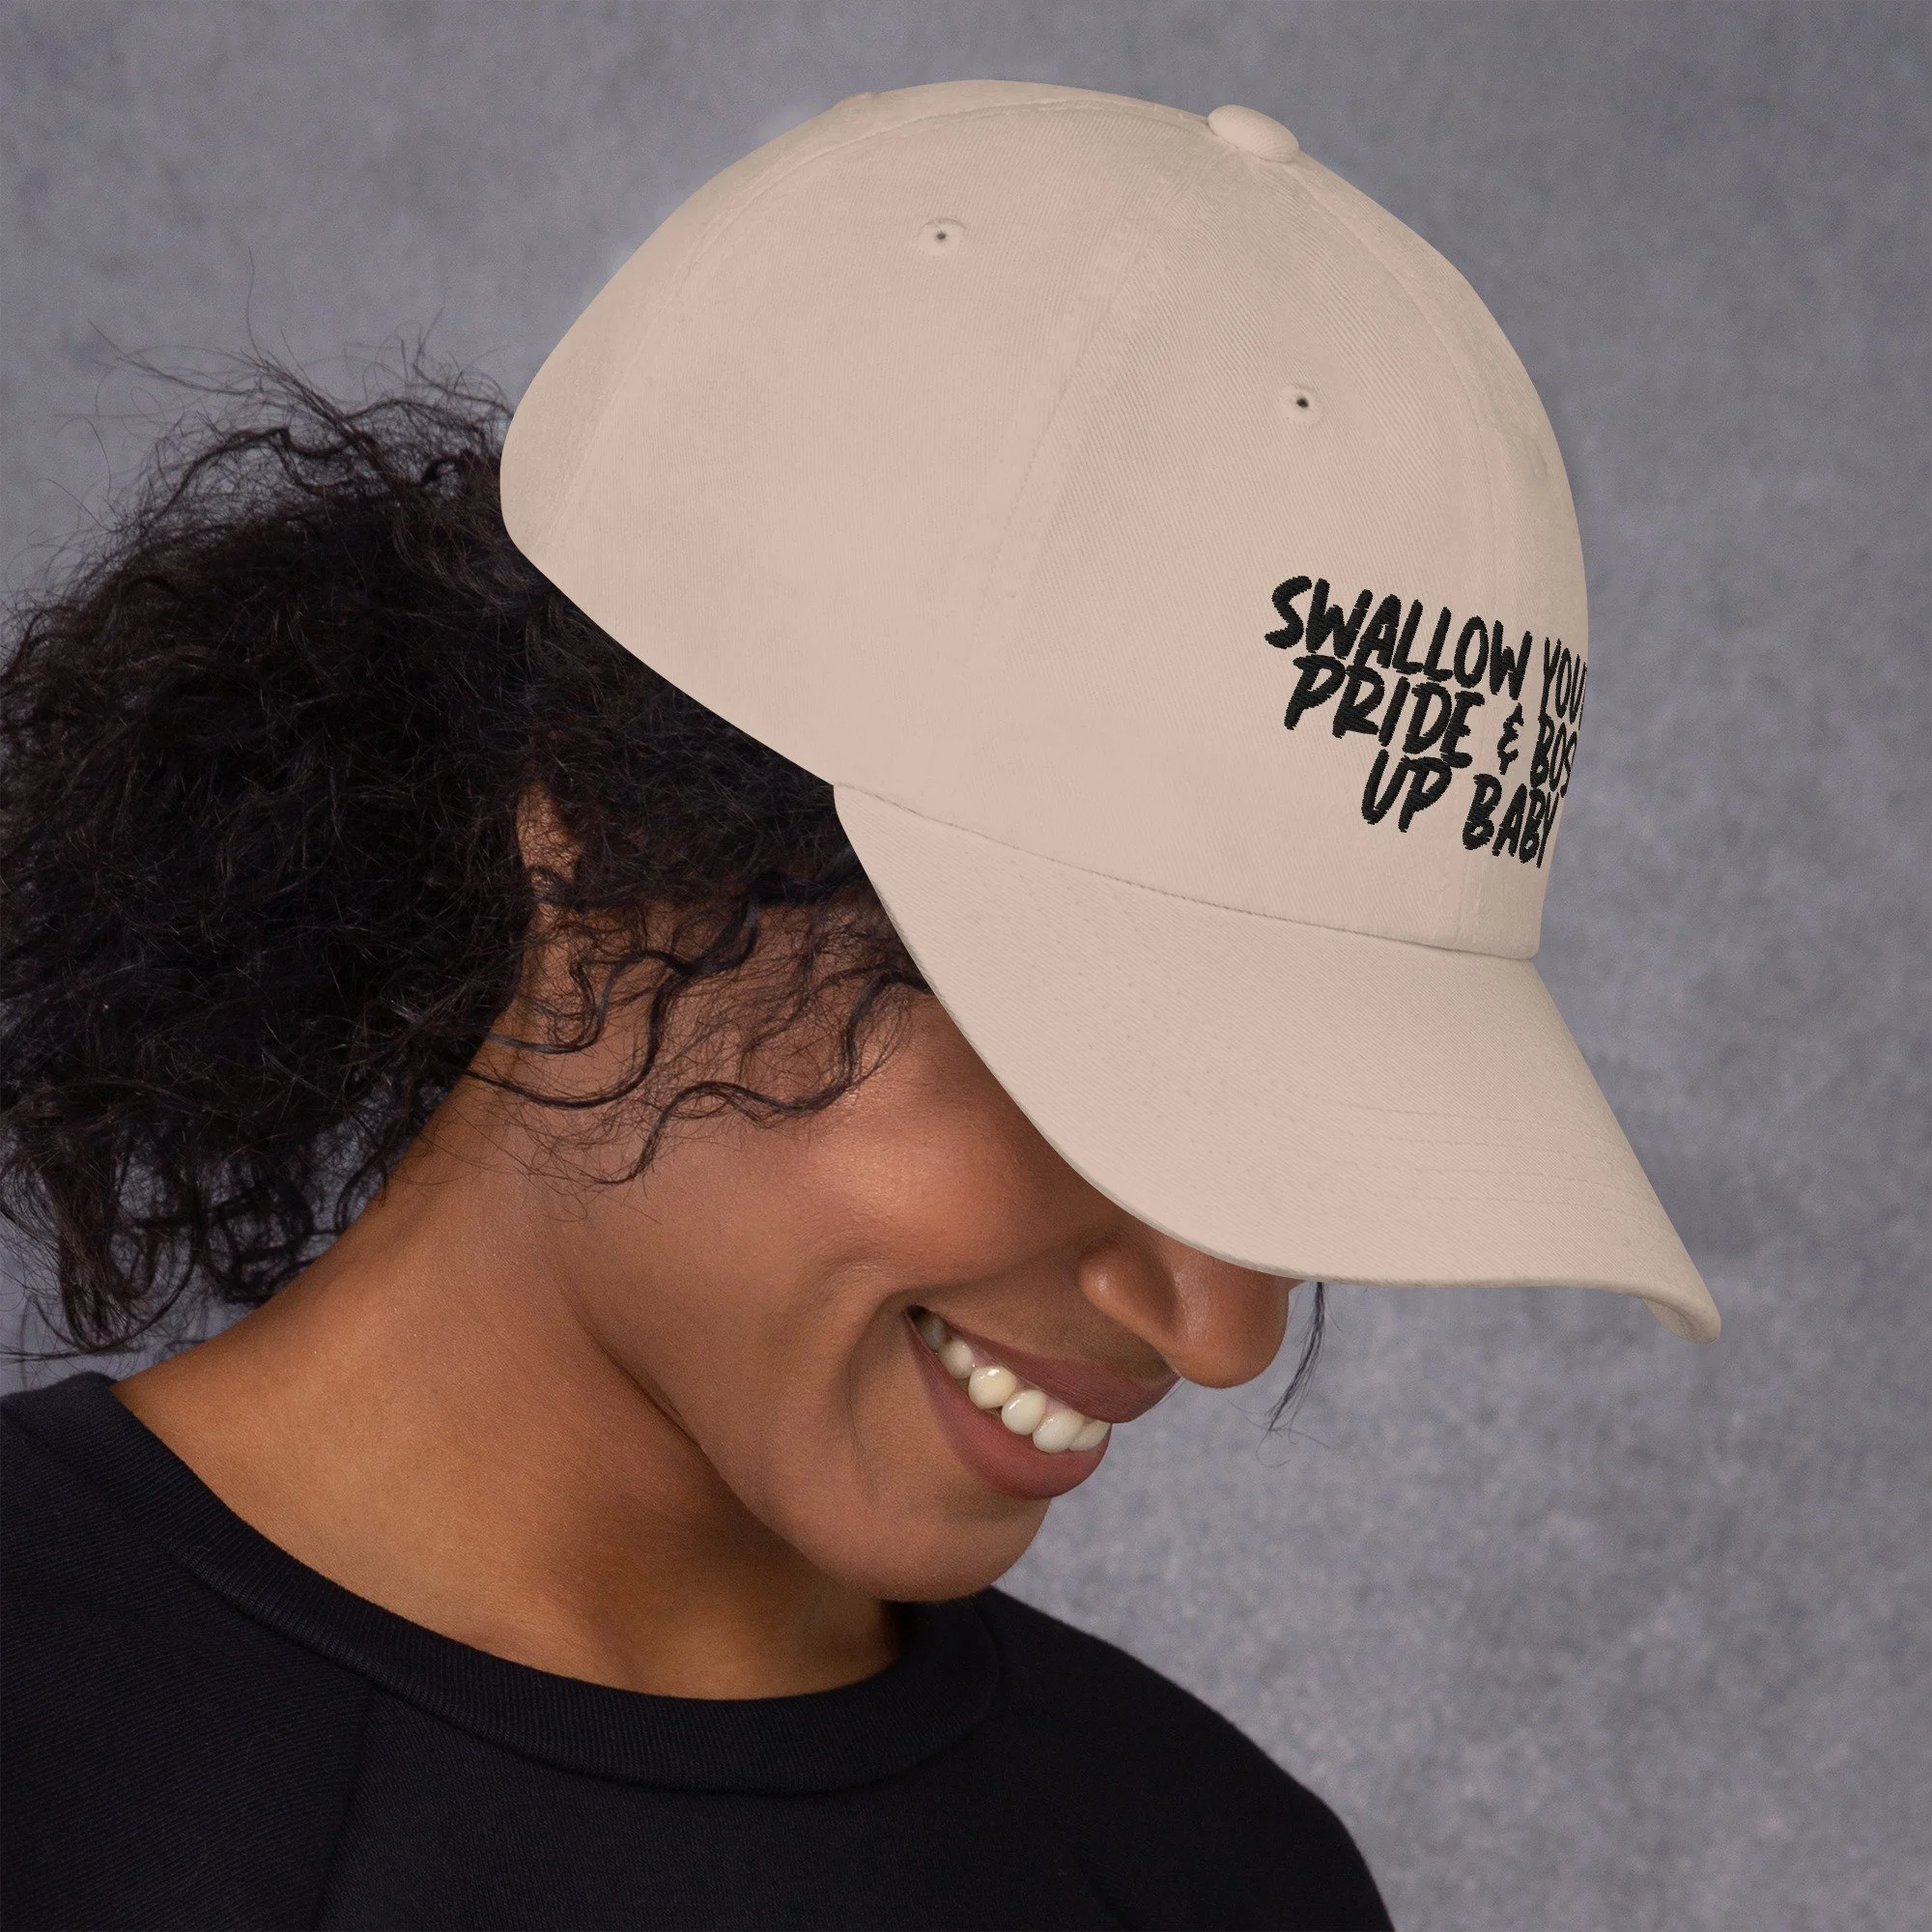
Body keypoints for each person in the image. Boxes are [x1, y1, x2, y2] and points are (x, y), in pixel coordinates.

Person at [0, 79, 1718, 1932]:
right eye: (1101, 1063)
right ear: (591, 831)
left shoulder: (1222, 1879)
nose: (1224, 1328)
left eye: (1299, 1144)